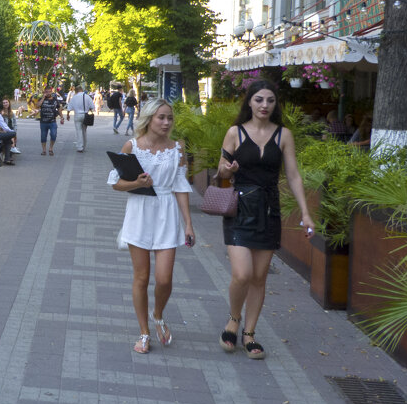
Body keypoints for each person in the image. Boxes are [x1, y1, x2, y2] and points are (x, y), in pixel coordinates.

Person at [216, 80, 315, 359]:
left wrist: (305, 212)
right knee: (242, 274)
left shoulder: (284, 135)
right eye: (259, 99)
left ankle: (249, 334)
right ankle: (233, 319)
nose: (264, 105)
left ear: (275, 104)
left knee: (259, 277)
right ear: (249, 102)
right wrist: (228, 167)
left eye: (270, 100)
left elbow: (293, 175)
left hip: (269, 210)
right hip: (239, 207)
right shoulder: (234, 133)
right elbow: (221, 172)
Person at [107, 99, 195, 353]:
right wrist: (137, 183)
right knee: (142, 277)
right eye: (161, 118)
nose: (167, 122)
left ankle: (158, 315)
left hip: (167, 212)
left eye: (169, 118)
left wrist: (188, 223)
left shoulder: (177, 148)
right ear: (148, 119)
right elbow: (116, 183)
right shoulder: (131, 146)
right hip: (140, 212)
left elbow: (180, 186)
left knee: (164, 279)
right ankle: (144, 332)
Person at [66, 84, 94, 152]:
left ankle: (79, 147)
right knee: (84, 131)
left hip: (77, 115)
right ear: (82, 90)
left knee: (79, 131)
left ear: (76, 91)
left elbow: (69, 108)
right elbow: (92, 107)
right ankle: (84, 146)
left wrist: (68, 115)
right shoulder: (87, 97)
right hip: (85, 115)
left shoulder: (74, 97)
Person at [38, 87, 60, 156]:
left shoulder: (55, 100)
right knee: (43, 136)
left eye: (49, 92)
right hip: (43, 121)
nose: (48, 93)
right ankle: (44, 150)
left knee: (54, 135)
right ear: (44, 92)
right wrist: (43, 98)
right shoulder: (41, 99)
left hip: (52, 121)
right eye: (46, 92)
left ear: (51, 92)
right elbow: (38, 105)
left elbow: (59, 108)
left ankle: (51, 148)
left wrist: (62, 117)